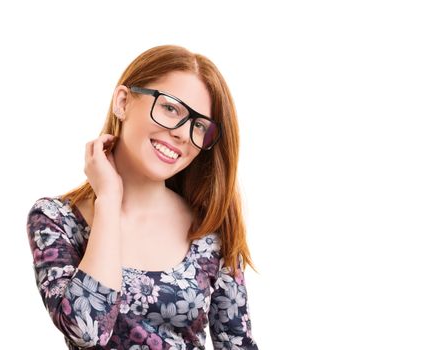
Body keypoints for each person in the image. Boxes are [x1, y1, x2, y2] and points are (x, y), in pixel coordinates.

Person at [26, 44, 259, 349]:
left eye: (199, 126)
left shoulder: (210, 231)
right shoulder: (56, 220)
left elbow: (238, 344)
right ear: (122, 102)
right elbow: (87, 330)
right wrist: (108, 200)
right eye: (171, 108)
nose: (182, 134)